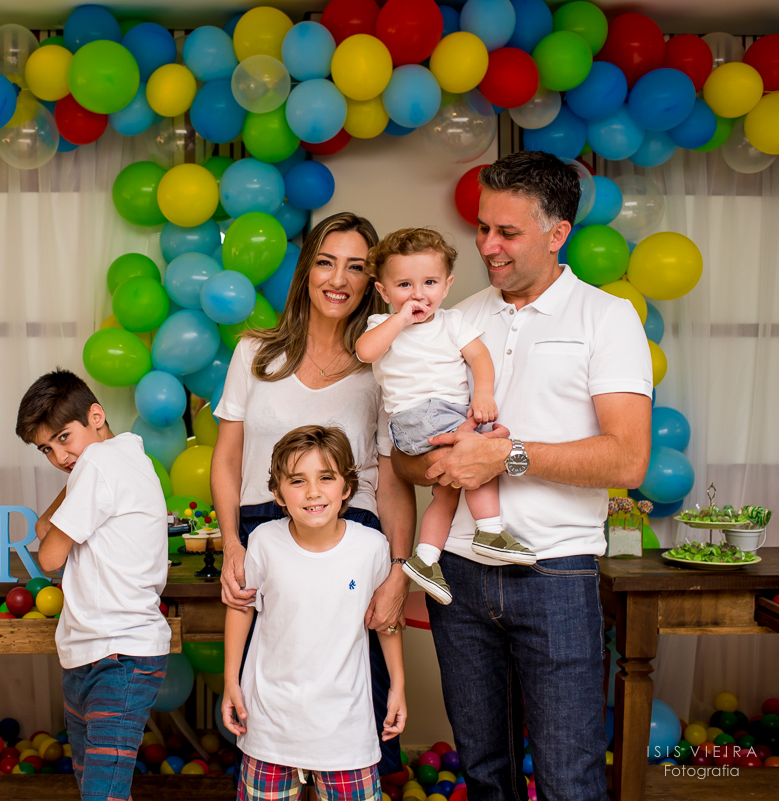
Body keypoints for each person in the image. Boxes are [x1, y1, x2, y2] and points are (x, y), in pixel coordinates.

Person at [392, 151, 652, 801]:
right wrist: (437, 458)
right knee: (484, 773)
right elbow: (399, 454)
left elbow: (628, 459)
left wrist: (505, 456)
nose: (487, 245)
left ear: (557, 231)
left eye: (507, 232)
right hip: (459, 573)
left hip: (556, 571)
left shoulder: (606, 317)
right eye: (482, 228)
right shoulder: (454, 317)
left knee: (570, 777)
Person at [212, 211, 415, 774]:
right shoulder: (256, 353)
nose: (338, 279)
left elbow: (393, 476)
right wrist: (233, 540)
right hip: (261, 530)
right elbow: (227, 459)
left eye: (356, 267)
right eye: (325, 262)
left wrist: (399, 569)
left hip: (357, 540)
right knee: (264, 708)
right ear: (305, 271)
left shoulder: (385, 365)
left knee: (361, 709)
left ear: (372, 282)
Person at [222, 425, 406, 801]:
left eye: (326, 477)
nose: (313, 492)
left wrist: (398, 685)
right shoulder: (263, 542)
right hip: (270, 731)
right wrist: (230, 680)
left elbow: (385, 620)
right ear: (277, 493)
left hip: (346, 735)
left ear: (347, 487)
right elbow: (241, 608)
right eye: (297, 481)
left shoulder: (372, 547)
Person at [356, 228, 535, 607]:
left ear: (447, 285)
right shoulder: (381, 326)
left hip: (449, 414)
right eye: (404, 285)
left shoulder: (452, 323)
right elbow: (367, 352)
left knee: (449, 489)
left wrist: (483, 394)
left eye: (430, 283)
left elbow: (480, 358)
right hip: (416, 417)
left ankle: (426, 558)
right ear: (383, 292)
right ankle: (489, 530)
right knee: (479, 454)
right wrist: (400, 319)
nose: (418, 294)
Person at [15, 369, 171, 801]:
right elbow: (48, 524)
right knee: (99, 789)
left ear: (96, 416)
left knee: (101, 793)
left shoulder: (101, 462)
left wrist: (71, 489)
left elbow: (48, 556)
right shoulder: (121, 458)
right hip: (92, 650)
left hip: (118, 653)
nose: (60, 456)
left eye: (65, 438)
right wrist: (73, 480)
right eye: (47, 449)